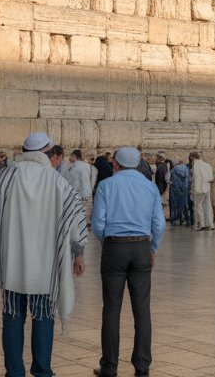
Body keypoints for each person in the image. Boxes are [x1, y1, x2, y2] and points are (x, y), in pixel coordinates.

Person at [0, 132, 87, 377]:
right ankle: (42, 371)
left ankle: (14, 372)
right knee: (43, 318)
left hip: (12, 264)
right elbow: (75, 219)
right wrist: (78, 252)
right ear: (48, 153)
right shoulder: (56, 180)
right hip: (44, 267)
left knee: (13, 319)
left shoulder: (5, 177)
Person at [92, 147, 165, 377]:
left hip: (115, 246)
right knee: (142, 309)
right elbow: (159, 225)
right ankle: (142, 365)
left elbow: (97, 224)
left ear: (115, 163)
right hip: (142, 247)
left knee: (112, 309)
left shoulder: (106, 185)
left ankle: (109, 366)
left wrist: (109, 243)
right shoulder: (150, 186)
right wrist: (152, 249)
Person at [65, 149, 97, 222]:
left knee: (79, 223)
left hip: (80, 198)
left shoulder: (75, 167)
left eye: (70, 156)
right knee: (87, 222)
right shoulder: (90, 167)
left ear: (73, 156)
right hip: (88, 196)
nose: (69, 158)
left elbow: (75, 185)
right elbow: (92, 181)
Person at [190, 151, 214, 230]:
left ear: (192, 157)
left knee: (198, 207)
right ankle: (209, 224)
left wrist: (192, 190)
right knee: (207, 206)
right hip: (207, 189)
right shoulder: (207, 165)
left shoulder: (195, 165)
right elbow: (211, 179)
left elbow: (194, 179)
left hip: (198, 190)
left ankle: (201, 224)